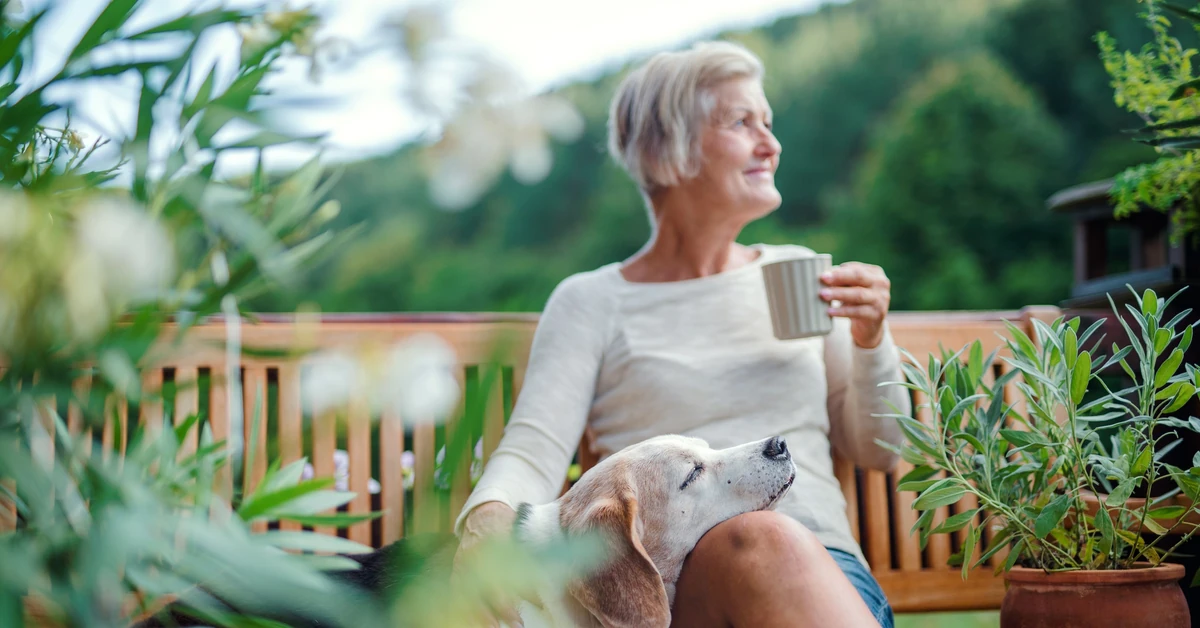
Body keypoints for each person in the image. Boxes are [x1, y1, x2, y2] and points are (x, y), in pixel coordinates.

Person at [453, 40, 910, 628]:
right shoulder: (592, 301)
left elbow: (882, 449)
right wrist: (487, 522)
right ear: (668, 147)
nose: (770, 144)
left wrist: (872, 338)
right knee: (758, 538)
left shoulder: (799, 272)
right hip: (663, 596)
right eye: (741, 122)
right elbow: (532, 449)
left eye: (768, 123)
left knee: (769, 539)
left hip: (828, 578)